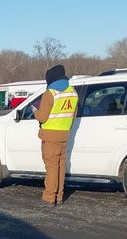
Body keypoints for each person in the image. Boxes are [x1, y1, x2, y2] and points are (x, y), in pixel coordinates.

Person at [32, 64, 78, 206]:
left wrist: (34, 110)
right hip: (64, 135)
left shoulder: (50, 93)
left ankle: (49, 198)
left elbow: (42, 117)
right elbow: (73, 116)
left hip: (49, 136)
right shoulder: (73, 92)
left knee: (51, 168)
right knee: (60, 167)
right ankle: (59, 196)